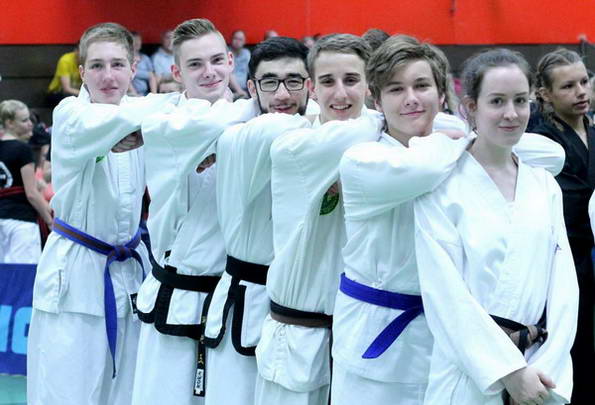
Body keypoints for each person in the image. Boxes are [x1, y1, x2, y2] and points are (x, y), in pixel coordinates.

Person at [334, 35, 567, 405]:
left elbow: (552, 155)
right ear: (376, 101)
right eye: (396, 89)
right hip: (380, 342)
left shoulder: (457, 155)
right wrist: (466, 134)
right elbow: (424, 165)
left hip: (455, 342)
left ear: (444, 94)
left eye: (422, 85)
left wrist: (472, 129)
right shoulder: (365, 161)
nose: (411, 98)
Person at [414, 48, 578, 404]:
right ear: (471, 107)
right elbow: (445, 296)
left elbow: (564, 288)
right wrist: (508, 372)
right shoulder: (441, 188)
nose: (511, 113)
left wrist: (543, 367)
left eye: (521, 101)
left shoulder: (543, 185)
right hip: (468, 371)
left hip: (539, 370)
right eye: (497, 101)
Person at [27, 22, 178, 405]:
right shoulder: (71, 114)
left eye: (116, 64)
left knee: (127, 391)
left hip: (128, 269)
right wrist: (164, 110)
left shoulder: (144, 113)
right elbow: (141, 116)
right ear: (81, 72)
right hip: (76, 272)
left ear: (133, 68)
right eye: (96, 66)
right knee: (69, 388)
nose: (107, 76)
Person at [131, 18, 257, 405]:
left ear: (232, 60)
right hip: (177, 289)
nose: (210, 72)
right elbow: (214, 124)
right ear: (176, 71)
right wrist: (259, 107)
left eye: (217, 60)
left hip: (233, 298)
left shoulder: (252, 118)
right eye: (196, 64)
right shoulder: (165, 122)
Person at [255, 33, 379, 405]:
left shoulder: (384, 139)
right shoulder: (296, 145)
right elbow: (352, 135)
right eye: (327, 81)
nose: (340, 94)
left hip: (360, 340)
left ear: (369, 85)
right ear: (311, 87)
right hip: (299, 339)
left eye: (351, 80)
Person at [202, 37, 312, 405]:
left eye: (294, 80)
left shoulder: (319, 132)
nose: (282, 93)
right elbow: (286, 131)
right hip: (247, 301)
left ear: (309, 84)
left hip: (303, 313)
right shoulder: (239, 136)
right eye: (270, 82)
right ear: (251, 88)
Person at [531, 48, 595, 404]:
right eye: (568, 86)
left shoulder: (593, 129)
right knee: (573, 348)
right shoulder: (538, 140)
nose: (581, 92)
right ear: (546, 94)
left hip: (591, 253)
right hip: (561, 260)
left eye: (584, 81)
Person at [0, 100, 52, 263]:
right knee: (24, 277)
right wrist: (50, 220)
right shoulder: (22, 149)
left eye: (29, 119)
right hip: (21, 223)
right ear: (9, 123)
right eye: (24, 121)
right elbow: (31, 194)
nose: (30, 124)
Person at [229, 30, 250, 98]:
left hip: (245, 89)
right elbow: (229, 74)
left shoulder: (246, 53)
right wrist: (240, 91)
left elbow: (251, 71)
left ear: (244, 42)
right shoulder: (227, 53)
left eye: (240, 39)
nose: (237, 41)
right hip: (231, 90)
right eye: (235, 38)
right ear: (231, 39)